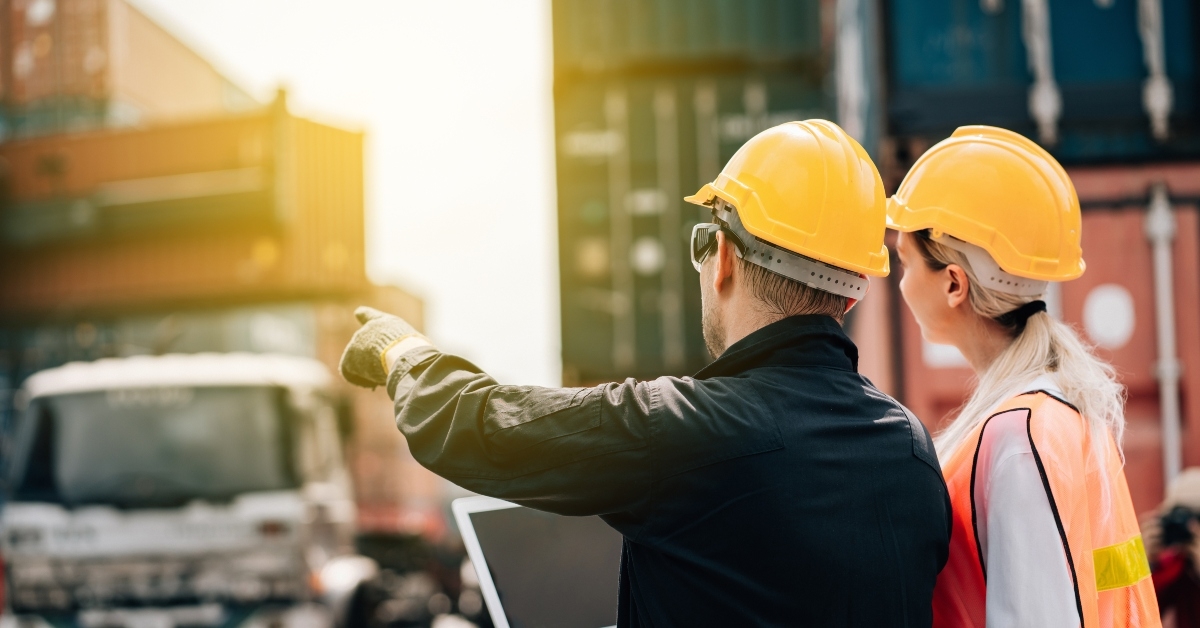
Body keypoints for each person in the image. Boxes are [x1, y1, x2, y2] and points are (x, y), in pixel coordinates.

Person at [340, 120, 951, 627]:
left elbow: (477, 427)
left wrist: (402, 352)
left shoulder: (687, 431)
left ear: (725, 259)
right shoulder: (913, 452)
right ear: (848, 295)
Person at [887, 125, 1160, 628]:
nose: (899, 283)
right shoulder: (1067, 411)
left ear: (953, 283)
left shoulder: (1016, 436)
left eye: (904, 261)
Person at [1142, 468, 1200, 627]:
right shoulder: (1175, 565)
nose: (1188, 526)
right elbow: (1142, 615)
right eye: (1178, 516)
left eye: (1197, 517)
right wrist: (1143, 564)